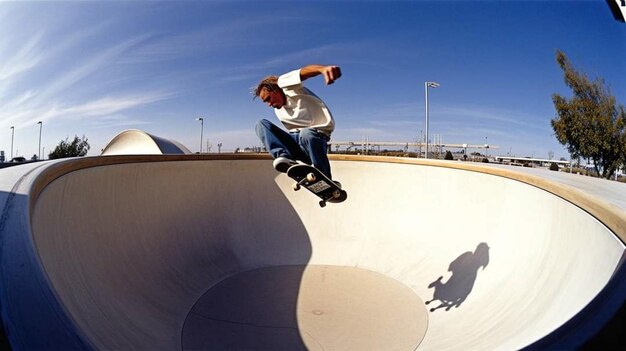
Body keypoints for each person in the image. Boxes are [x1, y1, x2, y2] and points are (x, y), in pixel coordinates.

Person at [253, 64, 341, 182]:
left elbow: (303, 72)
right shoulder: (278, 110)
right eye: (265, 102)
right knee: (261, 124)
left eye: (268, 99)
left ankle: (324, 177)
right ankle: (284, 158)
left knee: (306, 133)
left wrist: (322, 70)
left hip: (315, 140)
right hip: (296, 144)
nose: (269, 104)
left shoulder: (286, 86)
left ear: (275, 89)